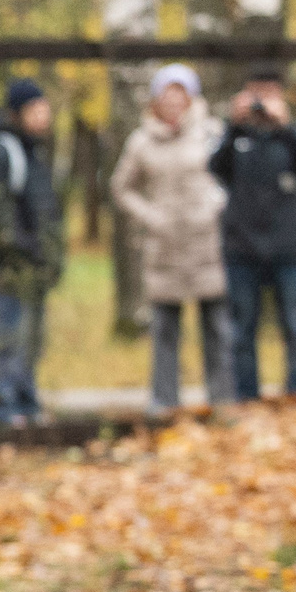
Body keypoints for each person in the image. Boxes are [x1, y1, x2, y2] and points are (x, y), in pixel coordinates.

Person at [109, 63, 234, 413]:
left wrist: (217, 204)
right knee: (165, 330)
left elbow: (231, 177)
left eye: (181, 95)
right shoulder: (141, 141)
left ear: (192, 98)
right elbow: (122, 188)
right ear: (156, 100)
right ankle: (163, 404)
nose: (174, 103)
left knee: (217, 328)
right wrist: (150, 216)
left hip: (207, 243)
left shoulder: (211, 134)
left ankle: (222, 401)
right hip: (164, 247)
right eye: (168, 95)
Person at [207, 66, 296, 400]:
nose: (261, 101)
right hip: (242, 248)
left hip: (289, 248)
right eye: (255, 93)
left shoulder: (294, 134)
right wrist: (233, 125)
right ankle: (246, 397)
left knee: (295, 327)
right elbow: (215, 168)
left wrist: (284, 127)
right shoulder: (236, 136)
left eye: (269, 93)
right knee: (242, 331)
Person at [0, 77, 65, 428]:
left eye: (46, 109)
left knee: (31, 340)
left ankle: (25, 403)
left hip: (35, 267)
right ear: (18, 113)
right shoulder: (2, 151)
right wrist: (19, 245)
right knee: (6, 336)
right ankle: (1, 408)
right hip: (11, 268)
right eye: (36, 110)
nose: (44, 117)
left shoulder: (33, 150)